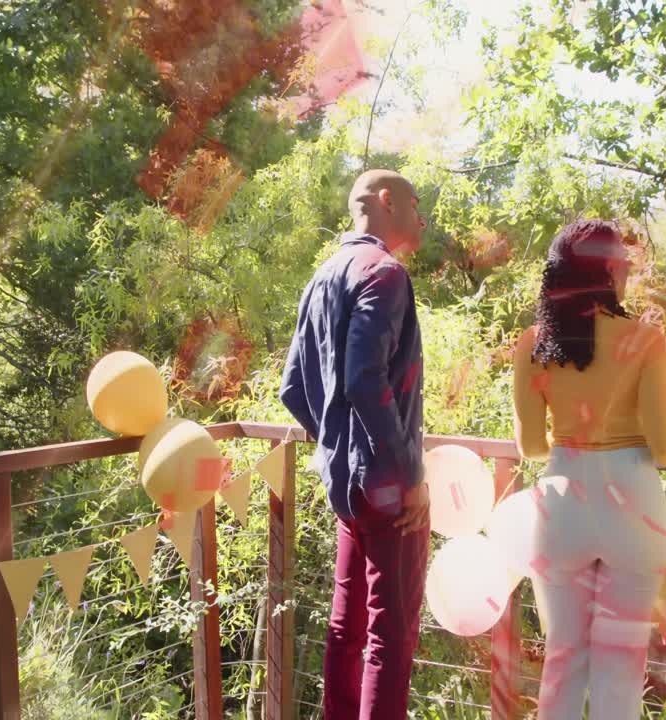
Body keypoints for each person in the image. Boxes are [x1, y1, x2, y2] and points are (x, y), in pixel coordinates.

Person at [510, 218, 666, 720]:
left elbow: (531, 446)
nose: (628, 275)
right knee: (620, 671)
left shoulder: (534, 344)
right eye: (624, 266)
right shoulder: (645, 341)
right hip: (634, 508)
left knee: (563, 661)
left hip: (562, 504)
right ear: (609, 270)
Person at [279, 169, 431, 720]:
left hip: (346, 487)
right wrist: (409, 475)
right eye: (415, 203)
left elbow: (294, 388)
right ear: (386, 201)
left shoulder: (323, 276)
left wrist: (338, 450)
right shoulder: (384, 273)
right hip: (387, 489)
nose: (422, 216)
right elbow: (367, 382)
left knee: (348, 626)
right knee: (393, 632)